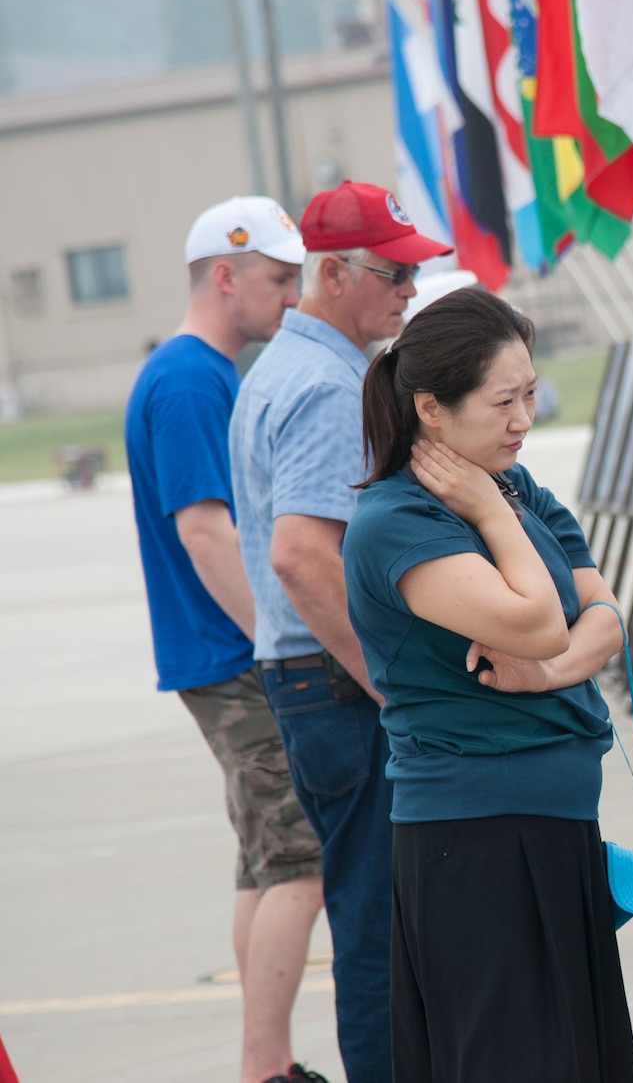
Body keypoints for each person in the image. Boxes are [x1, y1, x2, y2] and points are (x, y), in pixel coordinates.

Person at [343, 288, 633, 1080]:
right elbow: (544, 618)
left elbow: (605, 613)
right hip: (477, 837)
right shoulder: (400, 521)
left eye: (531, 393)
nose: (524, 418)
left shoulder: (515, 485)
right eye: (503, 400)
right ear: (432, 410)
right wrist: (490, 513)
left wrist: (549, 672)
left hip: (550, 824)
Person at [230, 180, 449, 1083]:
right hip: (336, 685)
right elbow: (300, 555)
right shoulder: (324, 386)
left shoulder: (289, 369)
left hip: (313, 680)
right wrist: (388, 679)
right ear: (333, 271)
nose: (408, 289)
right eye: (393, 271)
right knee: (377, 920)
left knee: (372, 908)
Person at [125, 197, 328, 1083]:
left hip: (221, 654)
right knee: (303, 858)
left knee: (263, 861)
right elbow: (206, 530)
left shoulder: (199, 375)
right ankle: (265, 1068)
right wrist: (279, 641)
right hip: (236, 655)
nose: (291, 298)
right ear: (224, 275)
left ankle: (266, 1061)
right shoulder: (189, 380)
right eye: (279, 280)